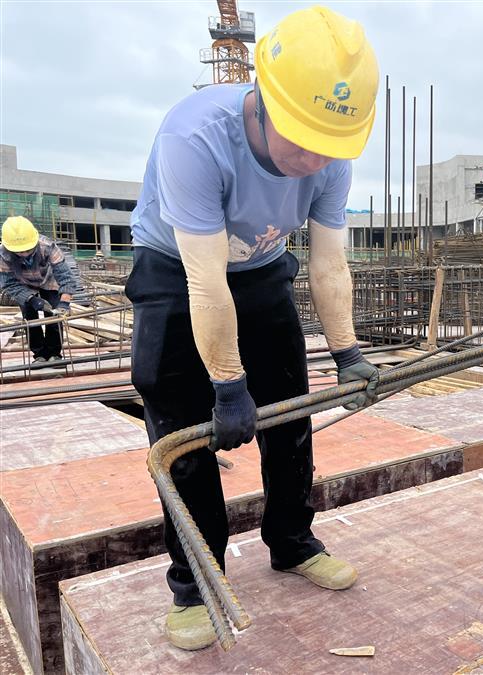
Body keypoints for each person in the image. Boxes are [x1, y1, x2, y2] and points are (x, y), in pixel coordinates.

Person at [126, 6, 380, 650]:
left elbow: (329, 264)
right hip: (177, 269)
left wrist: (347, 353)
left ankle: (293, 543)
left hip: (263, 267)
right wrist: (229, 385)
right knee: (184, 430)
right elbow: (205, 284)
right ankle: (194, 582)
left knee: (288, 415)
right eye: (301, 140)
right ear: (264, 101)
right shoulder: (196, 137)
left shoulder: (328, 153)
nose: (313, 159)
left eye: (328, 146)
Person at [0, 216, 76, 363]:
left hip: (49, 280)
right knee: (30, 319)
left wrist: (64, 304)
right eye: (19, 251)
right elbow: (9, 284)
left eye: (27, 249)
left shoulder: (47, 246)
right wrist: (31, 298)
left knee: (54, 317)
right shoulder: (2, 255)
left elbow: (66, 277)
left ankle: (55, 354)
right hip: (23, 284)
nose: (24, 254)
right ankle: (39, 355)